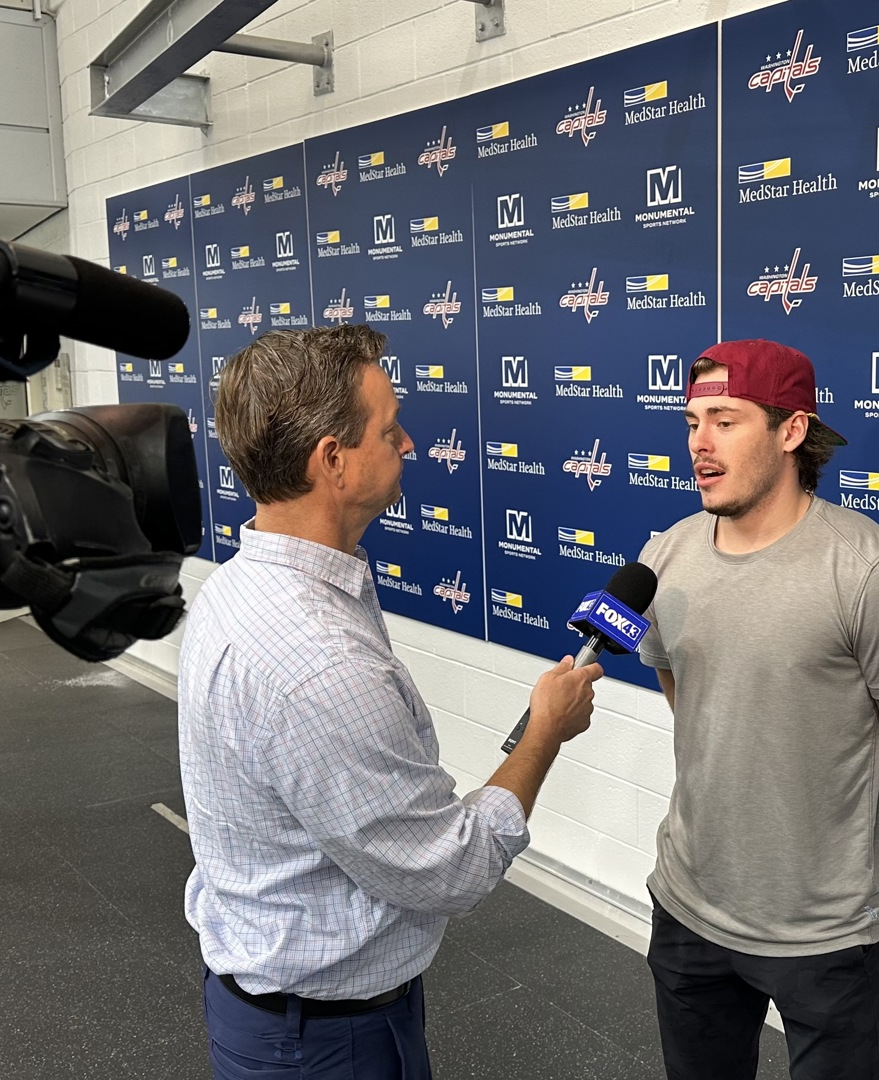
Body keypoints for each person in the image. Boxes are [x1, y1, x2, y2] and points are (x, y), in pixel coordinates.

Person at [178, 325, 604, 1080]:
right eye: (388, 428)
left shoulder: (241, 584)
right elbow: (451, 868)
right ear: (332, 461)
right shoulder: (319, 665)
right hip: (325, 1045)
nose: (408, 443)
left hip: (275, 1013)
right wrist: (545, 732)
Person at [635, 339, 879, 1080]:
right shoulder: (666, 556)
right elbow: (689, 699)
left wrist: (819, 803)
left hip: (826, 932)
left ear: (790, 431)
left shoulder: (874, 572)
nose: (699, 444)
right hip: (687, 905)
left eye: (724, 419)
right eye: (691, 421)